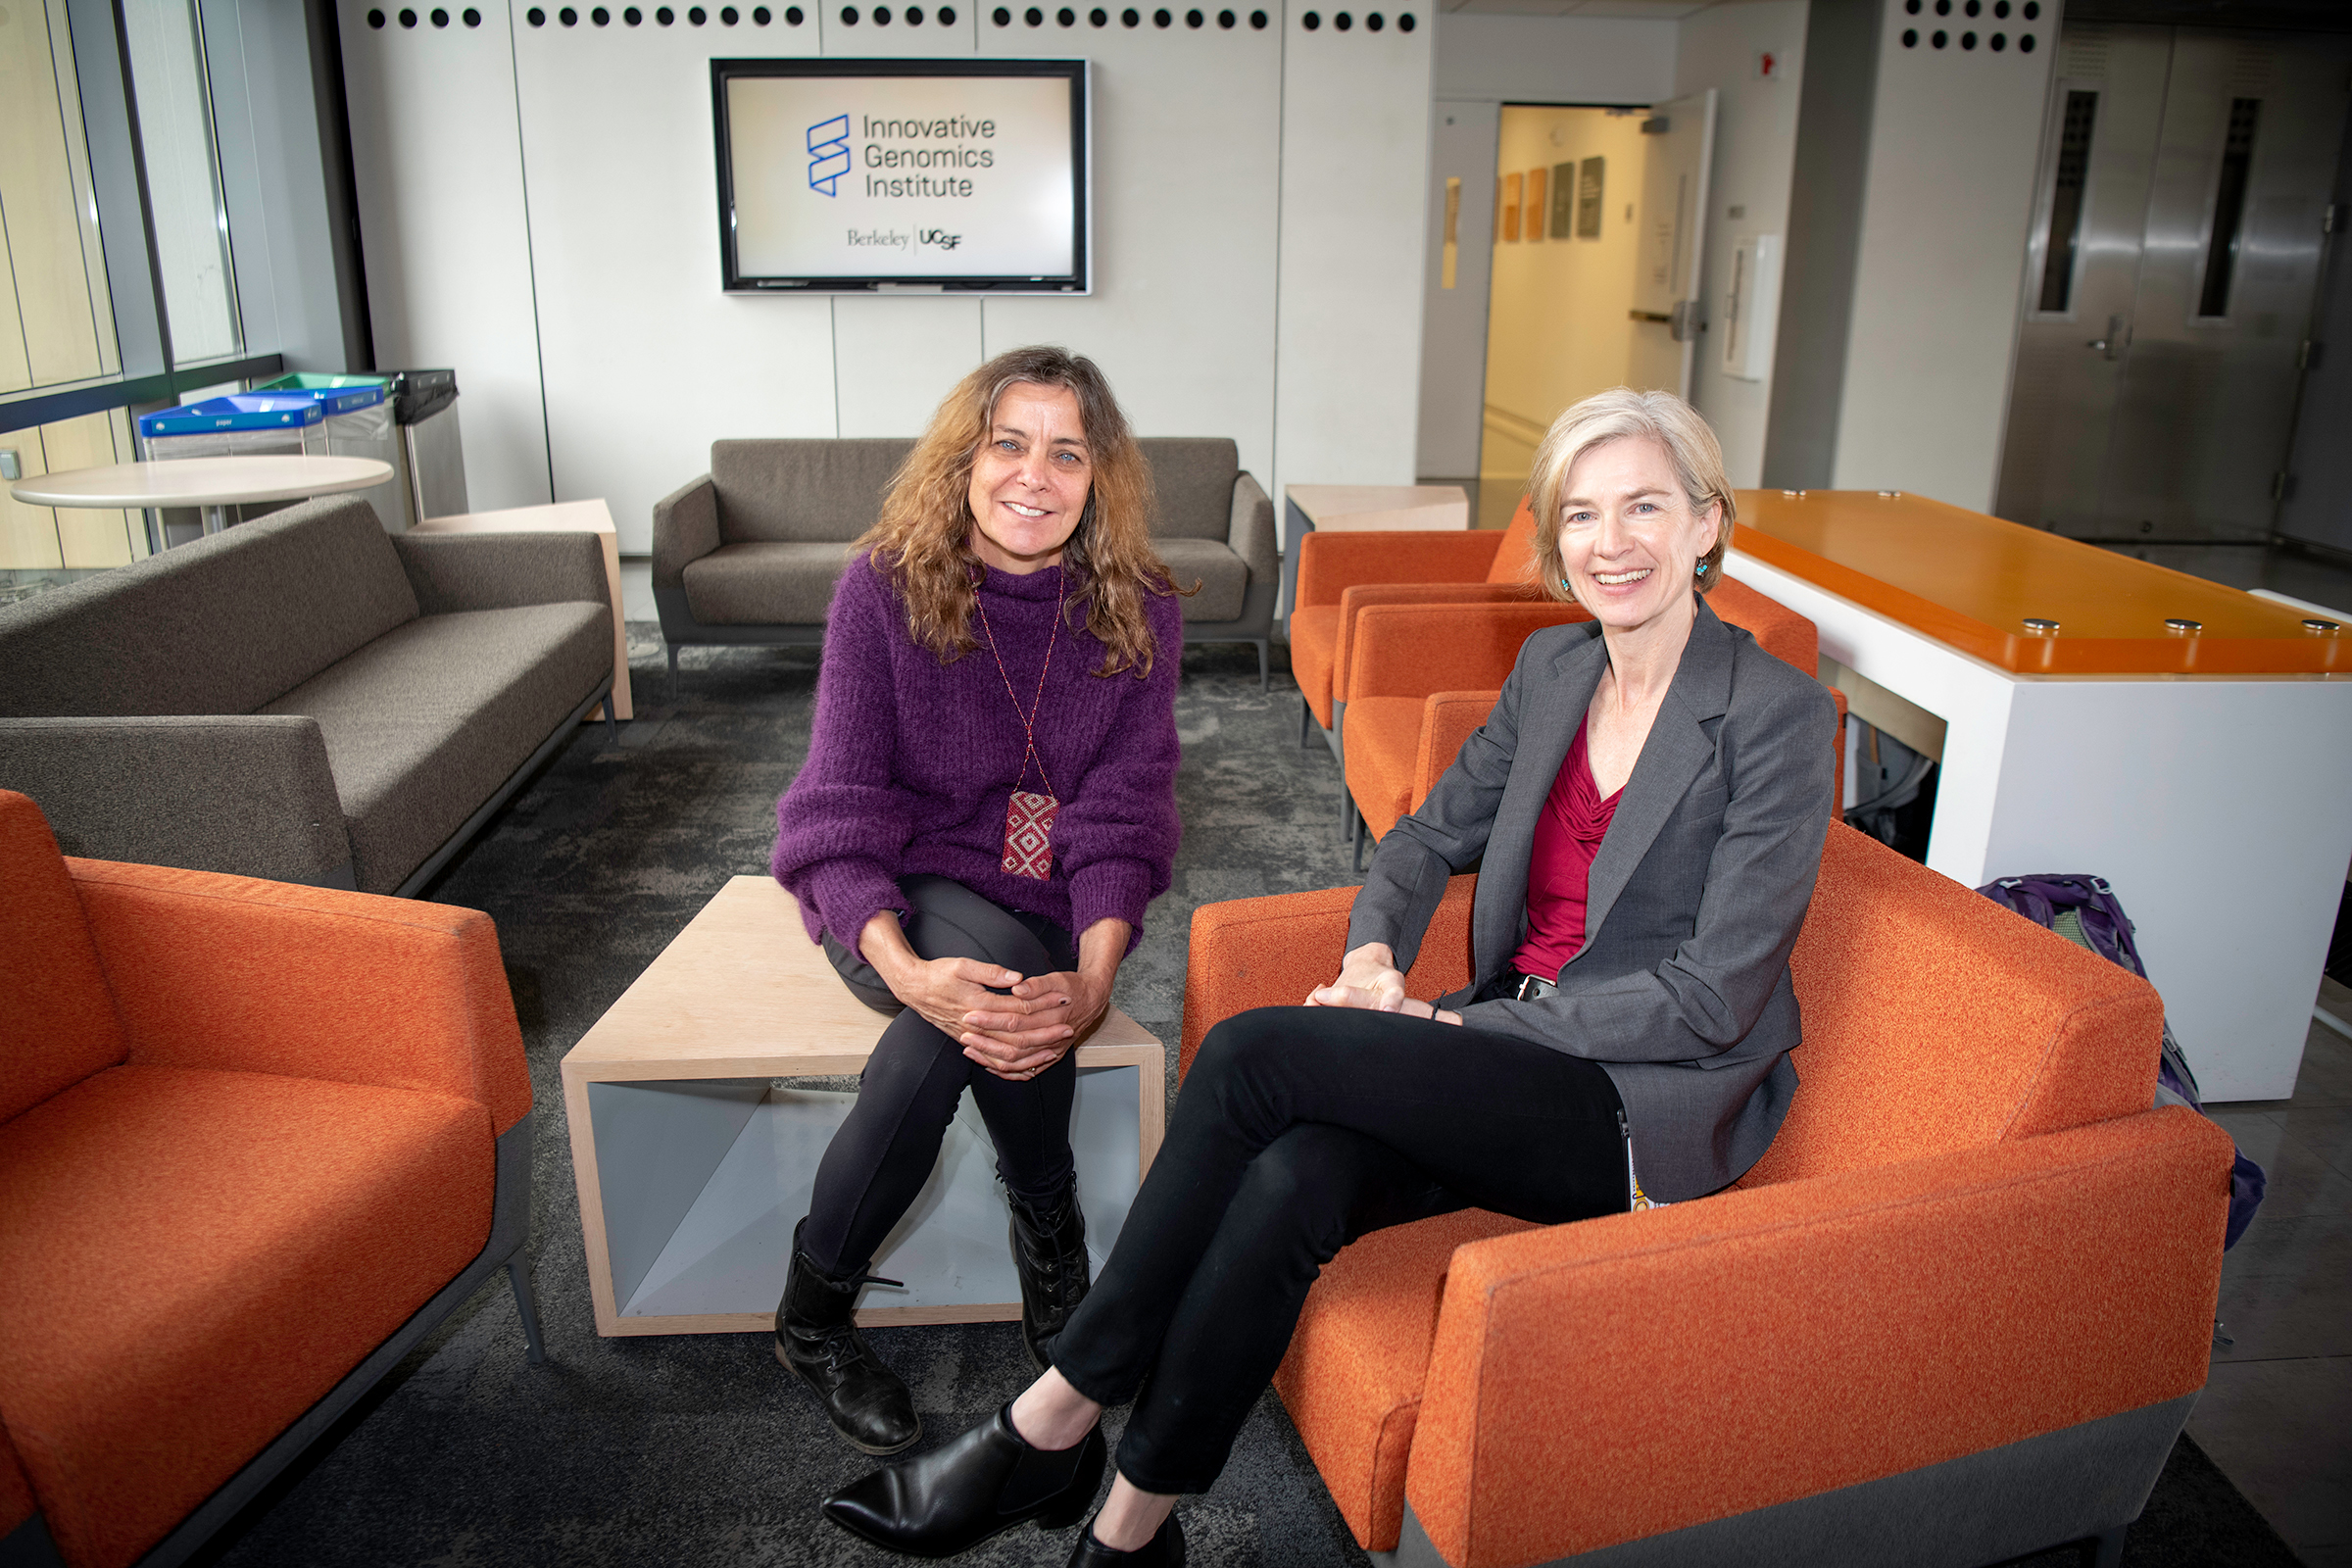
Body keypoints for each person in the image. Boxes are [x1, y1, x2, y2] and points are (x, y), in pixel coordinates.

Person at [816, 387, 1838, 1566]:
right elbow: (1418, 840)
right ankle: (1130, 1529)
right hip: (1506, 1047)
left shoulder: (1772, 717)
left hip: (1637, 1106)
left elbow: (1717, 994)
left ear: (1707, 524)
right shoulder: (1557, 672)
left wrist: (1455, 1034)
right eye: (1584, 514)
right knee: (1297, 1175)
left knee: (1255, 1055)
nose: (1612, 544)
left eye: (1646, 508)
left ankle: (1050, 1417)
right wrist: (1372, 957)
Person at [769, 346, 1187, 1458]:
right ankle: (1052, 1227)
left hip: (1042, 901)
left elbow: (1125, 815)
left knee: (983, 1005)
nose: (1032, 476)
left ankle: (809, 1320)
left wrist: (1098, 978)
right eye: (1008, 442)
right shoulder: (883, 586)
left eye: (1066, 452)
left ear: (1100, 478)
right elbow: (839, 805)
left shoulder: (1136, 611)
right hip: (891, 893)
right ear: (965, 457)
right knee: (975, 996)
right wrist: (904, 968)